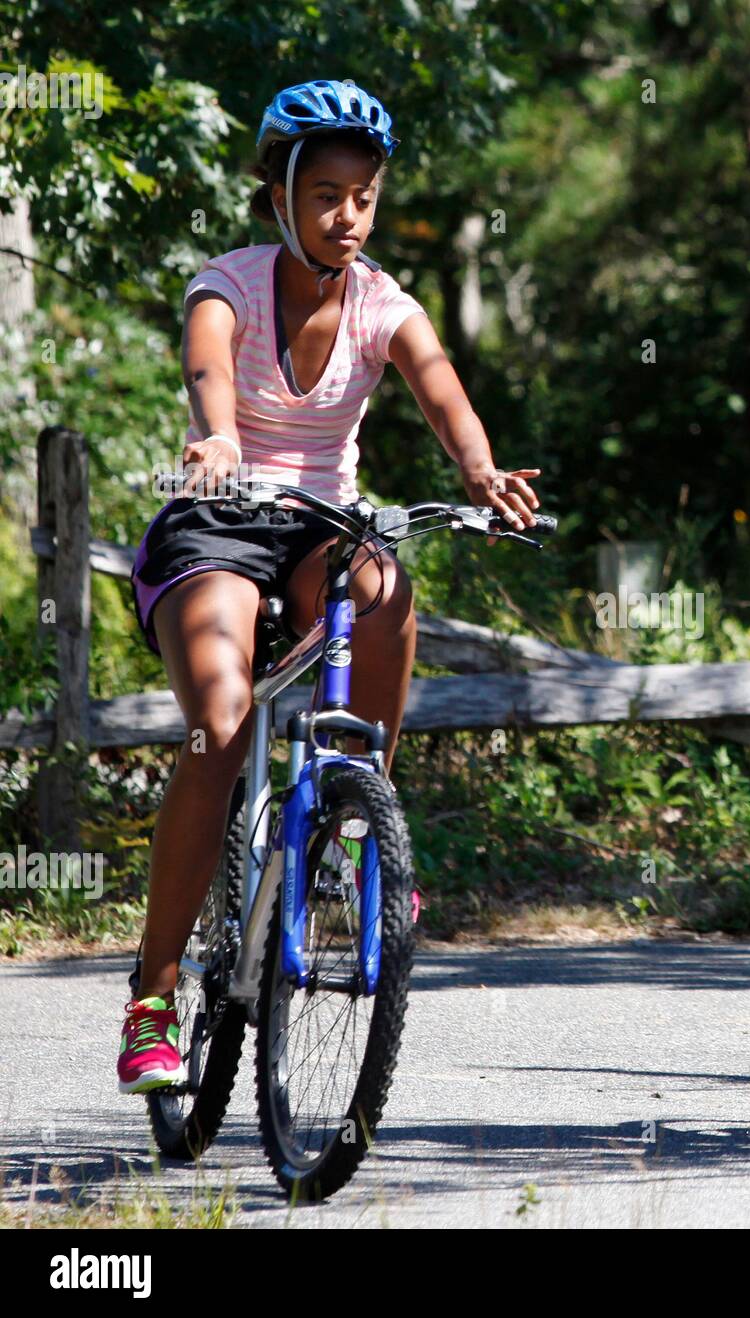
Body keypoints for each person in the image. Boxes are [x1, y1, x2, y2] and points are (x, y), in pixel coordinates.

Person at [119, 79, 542, 1093]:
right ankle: (152, 994)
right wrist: (217, 435)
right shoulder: (229, 281)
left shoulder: (384, 303)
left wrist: (480, 473)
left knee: (386, 579)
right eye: (324, 196)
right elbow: (209, 363)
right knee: (218, 730)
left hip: (317, 530)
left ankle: (362, 811)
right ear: (280, 195)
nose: (345, 216)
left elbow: (440, 387)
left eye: (363, 196)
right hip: (216, 522)